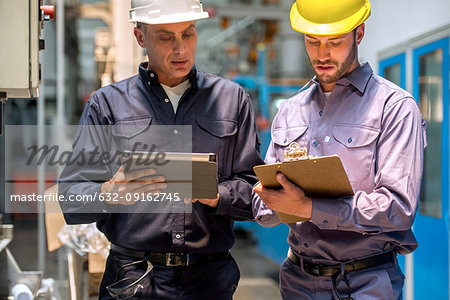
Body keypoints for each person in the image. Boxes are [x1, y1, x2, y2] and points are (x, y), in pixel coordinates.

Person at [58, 0, 264, 299]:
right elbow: (69, 197)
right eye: (166, 37)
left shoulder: (232, 101)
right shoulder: (108, 105)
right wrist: (107, 195)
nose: (180, 49)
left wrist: (217, 194)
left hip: (209, 281)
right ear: (140, 37)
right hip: (132, 280)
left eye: (189, 34)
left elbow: (255, 193)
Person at [252, 0, 427, 299]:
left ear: (359, 33)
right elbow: (264, 211)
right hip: (298, 283)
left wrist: (308, 208)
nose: (322, 54)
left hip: (365, 283)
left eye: (335, 42)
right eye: (312, 41)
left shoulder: (394, 108)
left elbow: (398, 209)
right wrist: (269, 201)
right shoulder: (290, 111)